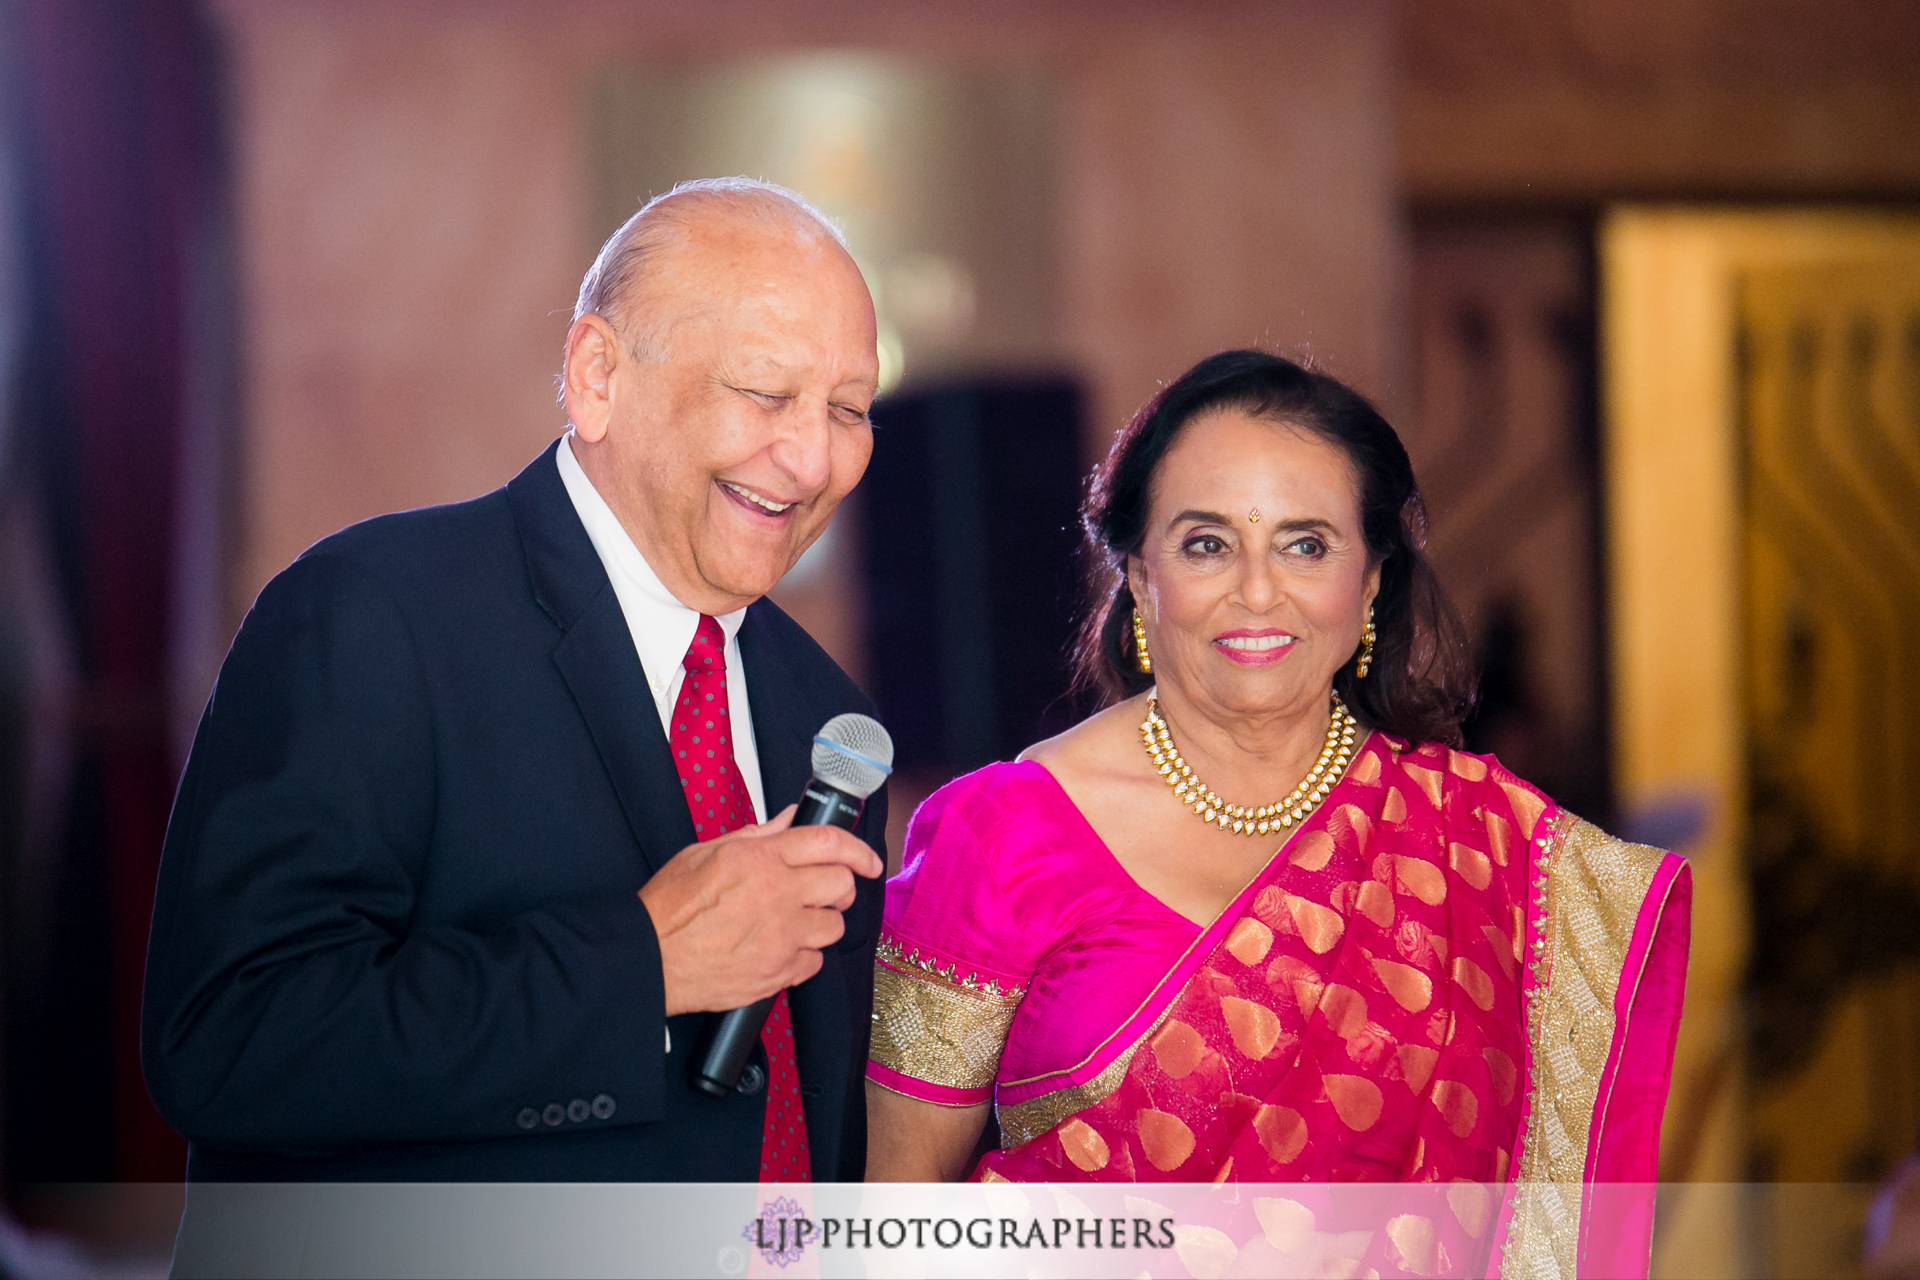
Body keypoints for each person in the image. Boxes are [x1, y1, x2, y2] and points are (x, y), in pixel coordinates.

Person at [865, 350, 1691, 1276]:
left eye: (1306, 545)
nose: (1257, 592)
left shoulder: (1480, 848)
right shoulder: (1002, 835)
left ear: (1371, 585)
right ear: (1140, 579)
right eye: (1207, 544)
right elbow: (895, 1215)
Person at [142, 178, 888, 1182]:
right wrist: (642, 965)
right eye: (765, 393)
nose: (810, 458)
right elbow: (227, 1042)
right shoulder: (372, 614)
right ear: (597, 378)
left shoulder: (828, 715)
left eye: (849, 408)